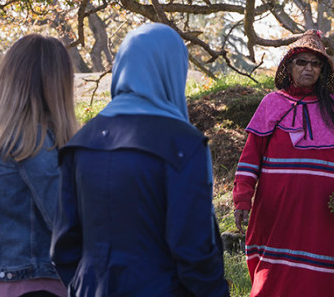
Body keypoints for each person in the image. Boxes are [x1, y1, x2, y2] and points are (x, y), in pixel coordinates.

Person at [52, 23, 229, 297]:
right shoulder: (183, 144)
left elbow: (64, 247)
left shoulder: (81, 141)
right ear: (173, 70)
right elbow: (193, 249)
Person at [232, 30, 334, 297]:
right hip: (278, 210)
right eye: (302, 62)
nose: (309, 68)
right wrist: (242, 199)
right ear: (289, 67)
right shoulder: (272, 103)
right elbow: (250, 158)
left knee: (323, 281)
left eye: (315, 63)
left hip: (325, 214)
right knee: (275, 277)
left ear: (322, 70)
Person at [0, 34, 79, 297]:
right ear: (54, 85)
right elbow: (63, 217)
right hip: (36, 282)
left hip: (4, 282)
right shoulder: (31, 141)